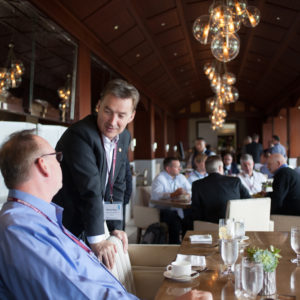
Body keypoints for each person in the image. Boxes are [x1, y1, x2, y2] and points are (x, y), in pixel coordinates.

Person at [0, 130, 212, 300]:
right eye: (57, 157)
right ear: (43, 165)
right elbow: (76, 291)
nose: (60, 163)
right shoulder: (19, 227)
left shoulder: (38, 217)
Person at [53, 79, 138, 269]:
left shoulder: (124, 137)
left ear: (131, 116)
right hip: (67, 221)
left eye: (121, 115)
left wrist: (116, 227)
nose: (112, 121)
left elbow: (117, 185)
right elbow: (90, 189)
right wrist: (99, 241)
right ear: (98, 106)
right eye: (108, 111)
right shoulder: (79, 135)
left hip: (90, 218)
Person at [191, 156, 250, 224]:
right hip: (232, 227)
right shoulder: (235, 181)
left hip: (207, 228)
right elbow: (248, 200)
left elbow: (195, 212)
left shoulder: (197, 185)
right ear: (220, 168)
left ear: (206, 169)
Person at [151, 157, 191, 244]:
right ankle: (174, 246)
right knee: (174, 221)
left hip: (178, 208)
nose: (180, 169)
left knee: (190, 218)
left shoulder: (181, 177)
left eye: (180, 166)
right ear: (168, 169)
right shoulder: (160, 178)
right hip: (161, 210)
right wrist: (173, 194)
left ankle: (185, 244)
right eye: (177, 167)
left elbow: (190, 190)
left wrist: (187, 194)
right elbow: (157, 196)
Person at [123, 159, 132, 230]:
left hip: (119, 200)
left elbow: (128, 178)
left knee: (119, 230)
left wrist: (126, 198)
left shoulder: (122, 155)